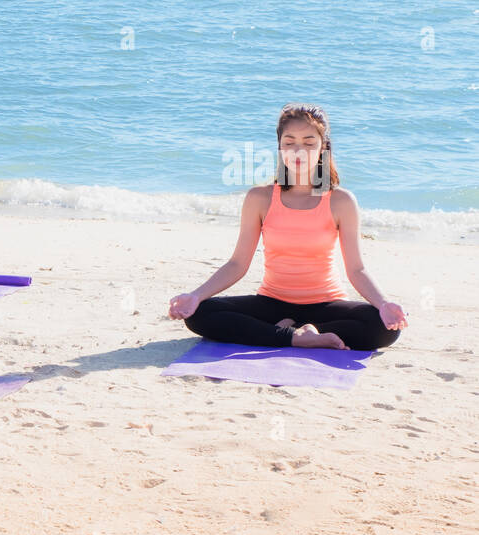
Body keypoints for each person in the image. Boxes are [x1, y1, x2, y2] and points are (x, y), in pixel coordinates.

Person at [169, 104, 406, 350]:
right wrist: (196, 296)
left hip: (326, 305)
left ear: (323, 147)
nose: (298, 151)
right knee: (200, 313)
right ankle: (294, 336)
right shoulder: (259, 198)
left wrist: (384, 304)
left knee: (383, 329)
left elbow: (357, 269)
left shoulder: (340, 201)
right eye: (289, 142)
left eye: (309, 142)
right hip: (272, 303)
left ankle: (300, 331)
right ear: (280, 146)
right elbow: (237, 264)